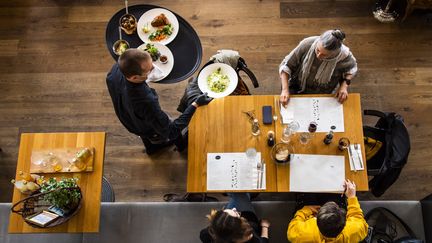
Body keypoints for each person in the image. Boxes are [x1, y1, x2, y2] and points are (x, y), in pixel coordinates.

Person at [106, 48, 212, 154]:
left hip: (127, 117)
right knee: (160, 134)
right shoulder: (146, 101)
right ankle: (180, 145)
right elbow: (171, 131)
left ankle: (151, 148)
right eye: (150, 70)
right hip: (147, 126)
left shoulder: (116, 69)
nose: (154, 69)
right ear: (134, 77)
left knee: (144, 134)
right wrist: (195, 104)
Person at [279, 29, 358, 105]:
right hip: (297, 85)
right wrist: (285, 90)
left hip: (325, 91)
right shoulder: (307, 43)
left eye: (324, 55)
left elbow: (351, 69)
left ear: (334, 53)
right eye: (317, 50)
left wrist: (344, 86)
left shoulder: (343, 55)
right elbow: (286, 66)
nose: (318, 55)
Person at [287, 179, 368, 242]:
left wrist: (306, 209)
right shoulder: (354, 231)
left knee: (306, 192)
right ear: (344, 224)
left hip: (309, 214)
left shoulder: (301, 234)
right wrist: (351, 197)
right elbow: (358, 219)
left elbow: (293, 225)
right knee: (337, 195)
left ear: (316, 220)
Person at [200, 193, 270, 243]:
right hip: (249, 217)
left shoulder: (205, 235)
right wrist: (264, 226)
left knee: (239, 195)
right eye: (236, 213)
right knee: (241, 195)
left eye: (224, 211)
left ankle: (243, 195)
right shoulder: (250, 238)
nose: (234, 208)